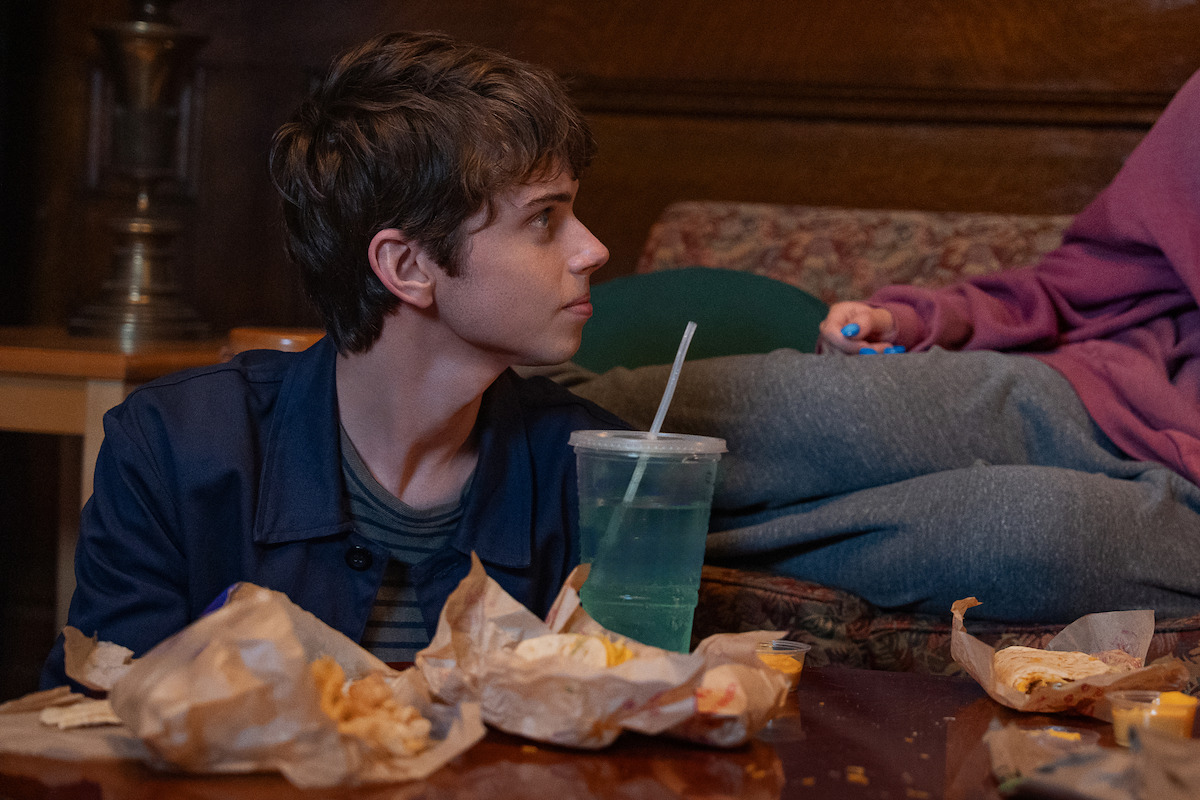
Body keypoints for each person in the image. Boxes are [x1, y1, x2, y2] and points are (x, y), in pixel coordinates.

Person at [40, 31, 626, 688]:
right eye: (545, 219)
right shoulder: (170, 451)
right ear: (407, 267)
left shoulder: (602, 474)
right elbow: (90, 733)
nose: (593, 249)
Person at [561, 69, 1200, 625]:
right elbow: (1088, 281)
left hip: (1179, 518)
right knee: (832, 413)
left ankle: (612, 534)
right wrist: (919, 321)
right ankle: (496, 449)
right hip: (1099, 390)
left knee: (1026, 528)